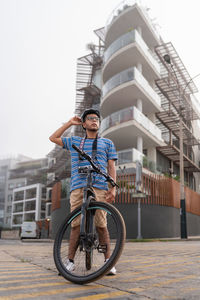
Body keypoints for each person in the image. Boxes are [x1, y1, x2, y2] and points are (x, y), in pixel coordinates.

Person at [49, 108, 118, 275]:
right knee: (75, 225)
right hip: (78, 186)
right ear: (84, 123)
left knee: (101, 225)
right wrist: (69, 123)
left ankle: (108, 261)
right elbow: (53, 138)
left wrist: (113, 187)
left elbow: (111, 166)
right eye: (91, 118)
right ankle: (70, 261)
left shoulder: (107, 143)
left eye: (97, 119)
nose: (94, 121)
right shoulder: (75, 141)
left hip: (100, 186)